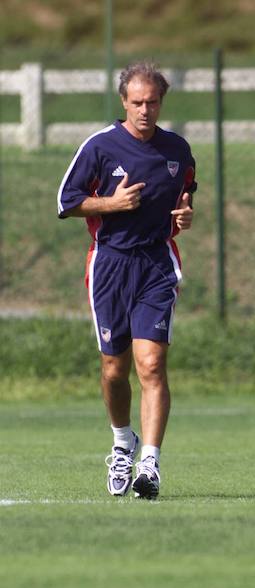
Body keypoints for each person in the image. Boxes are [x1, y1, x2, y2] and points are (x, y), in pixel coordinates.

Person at [57, 62, 196, 500]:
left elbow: (186, 192)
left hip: (156, 263)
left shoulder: (177, 149)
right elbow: (67, 201)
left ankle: (150, 464)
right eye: (137, 102)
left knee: (151, 365)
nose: (144, 110)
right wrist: (110, 203)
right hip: (110, 266)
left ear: (161, 102)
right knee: (114, 370)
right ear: (123, 102)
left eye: (152, 102)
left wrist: (185, 215)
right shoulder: (100, 146)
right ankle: (122, 442)